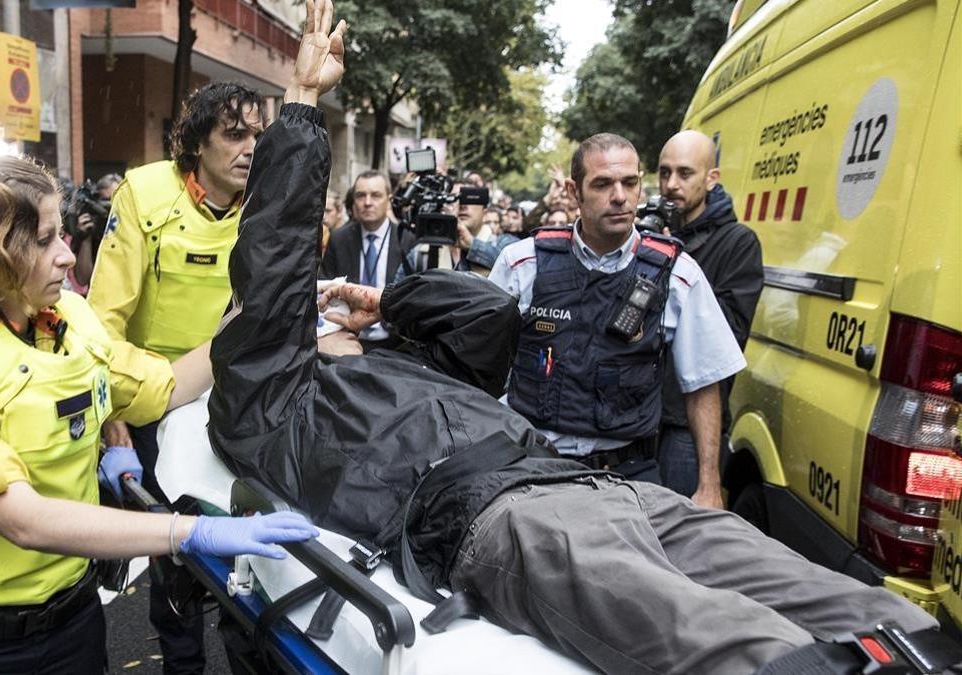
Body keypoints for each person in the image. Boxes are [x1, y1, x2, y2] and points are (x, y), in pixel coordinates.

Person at [206, 4, 940, 671]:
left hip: (603, 486)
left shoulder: (391, 358)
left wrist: (388, 303)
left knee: (855, 605)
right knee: (741, 643)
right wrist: (300, 106)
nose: (304, 306)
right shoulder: (270, 401)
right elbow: (271, 262)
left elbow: (486, 320)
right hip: (501, 518)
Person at [0, 151, 317, 673]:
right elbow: (20, 519)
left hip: (72, 621)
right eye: (44, 239)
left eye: (64, 234)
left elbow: (162, 388)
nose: (69, 256)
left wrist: (263, 318)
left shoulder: (67, 322)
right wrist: (187, 532)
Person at [86, 79, 264, 674]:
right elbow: (101, 324)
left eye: (256, 136)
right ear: (195, 144)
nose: (249, 149)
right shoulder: (143, 194)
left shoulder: (265, 199)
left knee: (249, 559)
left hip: (237, 402)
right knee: (174, 565)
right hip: (153, 402)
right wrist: (113, 420)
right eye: (233, 135)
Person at [488, 134, 738, 507]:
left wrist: (709, 485)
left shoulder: (678, 275)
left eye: (630, 183)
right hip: (530, 470)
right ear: (575, 192)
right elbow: (482, 369)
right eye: (603, 184)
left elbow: (703, 384)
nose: (619, 196)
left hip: (628, 479)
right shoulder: (522, 264)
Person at [655, 130, 763, 497]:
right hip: (638, 418)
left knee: (680, 540)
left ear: (711, 179)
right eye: (664, 172)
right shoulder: (649, 235)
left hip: (688, 427)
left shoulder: (737, 243)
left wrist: (673, 262)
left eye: (684, 174)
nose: (671, 185)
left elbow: (724, 340)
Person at [319, 170, 415, 349]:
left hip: (397, 342)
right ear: (354, 201)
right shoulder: (339, 239)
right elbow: (325, 287)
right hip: (348, 339)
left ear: (389, 199)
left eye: (376, 195)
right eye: (361, 196)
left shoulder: (407, 239)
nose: (368, 202)